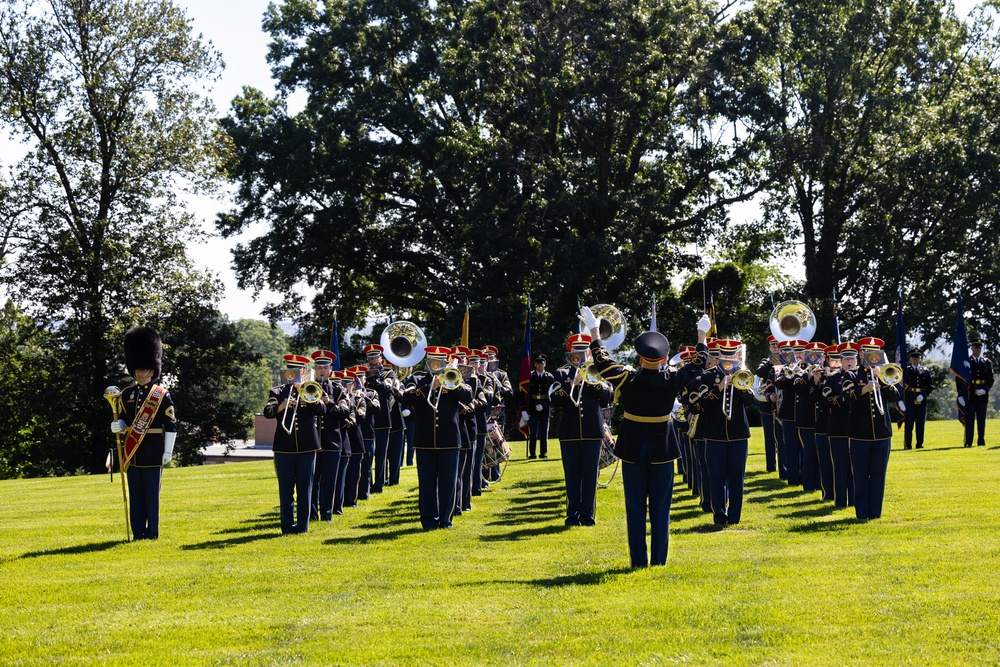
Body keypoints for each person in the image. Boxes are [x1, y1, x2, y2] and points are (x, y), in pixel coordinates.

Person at [582, 306, 694, 568]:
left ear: (641, 358)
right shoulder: (672, 378)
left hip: (633, 447)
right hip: (664, 446)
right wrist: (701, 337)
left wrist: (594, 331)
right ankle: (659, 561)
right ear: (664, 359)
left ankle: (639, 562)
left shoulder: (627, 378)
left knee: (635, 509)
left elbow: (601, 361)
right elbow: (698, 365)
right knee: (661, 509)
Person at [111, 326, 177, 540]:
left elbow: (171, 425)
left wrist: (168, 451)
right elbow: (123, 417)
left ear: (152, 369)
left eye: (144, 369)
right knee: (136, 496)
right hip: (132, 452)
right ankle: (138, 531)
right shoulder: (126, 394)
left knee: (151, 496)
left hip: (153, 450)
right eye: (137, 369)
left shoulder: (161, 395)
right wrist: (119, 425)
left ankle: (152, 531)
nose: (140, 372)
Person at [402, 346, 473, 529]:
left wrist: (452, 380)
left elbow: (468, 396)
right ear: (427, 361)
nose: (436, 364)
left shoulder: (453, 377)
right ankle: (429, 521)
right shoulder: (416, 379)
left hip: (449, 440)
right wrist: (429, 387)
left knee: (448, 482)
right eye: (433, 360)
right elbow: (406, 397)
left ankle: (446, 519)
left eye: (441, 360)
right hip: (425, 441)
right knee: (426, 484)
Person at [686, 339, 753, 526]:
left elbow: (750, 401)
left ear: (737, 357)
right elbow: (697, 406)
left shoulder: (744, 375)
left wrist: (739, 384)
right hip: (714, 435)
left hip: (738, 434)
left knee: (737, 478)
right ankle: (719, 515)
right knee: (715, 477)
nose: (728, 359)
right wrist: (719, 388)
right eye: (725, 356)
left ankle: (734, 517)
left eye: (732, 356)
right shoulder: (706, 378)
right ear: (719, 357)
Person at [549, 333, 613, 526]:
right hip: (569, 433)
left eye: (584, 350)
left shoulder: (597, 370)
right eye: (577, 350)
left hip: (592, 431)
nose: (581, 354)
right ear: (571, 352)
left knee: (590, 476)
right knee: (572, 475)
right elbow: (554, 399)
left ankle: (587, 515)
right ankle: (572, 515)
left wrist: (593, 381)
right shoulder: (562, 373)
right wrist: (573, 384)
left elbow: (608, 397)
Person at [262, 354, 325, 534]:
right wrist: (281, 406)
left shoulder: (311, 389)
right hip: (284, 448)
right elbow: (267, 411)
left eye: (298, 370)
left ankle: (303, 527)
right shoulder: (277, 391)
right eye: (291, 370)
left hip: (306, 447)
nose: (294, 374)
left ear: (304, 371)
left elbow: (322, 410)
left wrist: (305, 394)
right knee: (286, 490)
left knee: (305, 490)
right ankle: (287, 527)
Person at [843, 337, 901, 520]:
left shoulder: (884, 374)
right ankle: (861, 514)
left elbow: (894, 396)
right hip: (860, 435)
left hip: (881, 434)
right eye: (869, 353)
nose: (873, 357)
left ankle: (875, 514)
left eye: (875, 353)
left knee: (878, 476)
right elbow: (845, 398)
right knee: (860, 477)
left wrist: (881, 378)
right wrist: (864, 390)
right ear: (861, 354)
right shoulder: (851, 375)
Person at [310, 350, 350, 521]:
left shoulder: (338, 389)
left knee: (329, 481)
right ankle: (311, 514)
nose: (321, 371)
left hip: (332, 441)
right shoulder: (308, 387)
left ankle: (327, 513)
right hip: (312, 441)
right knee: (312, 481)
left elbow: (345, 411)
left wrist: (329, 402)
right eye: (319, 368)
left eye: (325, 368)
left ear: (330, 370)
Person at [824, 342, 855, 508]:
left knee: (856, 468)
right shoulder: (833, 378)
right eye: (846, 358)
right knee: (840, 468)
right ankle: (840, 501)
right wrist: (849, 397)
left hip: (857, 430)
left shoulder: (861, 378)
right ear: (841, 361)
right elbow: (828, 401)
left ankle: (855, 501)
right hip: (838, 429)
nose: (849, 361)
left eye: (852, 358)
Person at [959, 337, 993, 447]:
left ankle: (981, 441)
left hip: (983, 394)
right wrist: (960, 394)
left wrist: (985, 389)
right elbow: (960, 378)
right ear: (972, 348)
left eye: (979, 348)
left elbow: (990, 379)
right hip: (970, 394)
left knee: (981, 419)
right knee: (969, 419)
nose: (978, 350)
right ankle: (969, 441)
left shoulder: (986, 362)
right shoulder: (967, 362)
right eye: (975, 347)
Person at [903, 349, 934, 449]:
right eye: (914, 357)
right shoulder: (906, 370)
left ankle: (919, 444)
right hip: (910, 399)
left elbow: (930, 386)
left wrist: (923, 395)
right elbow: (902, 385)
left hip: (922, 400)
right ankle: (908, 444)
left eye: (918, 357)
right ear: (910, 358)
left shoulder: (925, 371)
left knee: (920, 424)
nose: (916, 359)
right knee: (909, 424)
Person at [526, 353, 554, 459]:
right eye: (538, 363)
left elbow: (552, 394)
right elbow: (525, 394)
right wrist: (525, 409)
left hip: (544, 408)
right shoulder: (530, 376)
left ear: (545, 364)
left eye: (542, 363)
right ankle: (532, 453)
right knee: (532, 432)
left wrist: (545, 405)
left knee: (543, 432)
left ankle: (543, 453)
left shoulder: (549, 377)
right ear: (535, 364)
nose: (540, 365)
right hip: (533, 407)